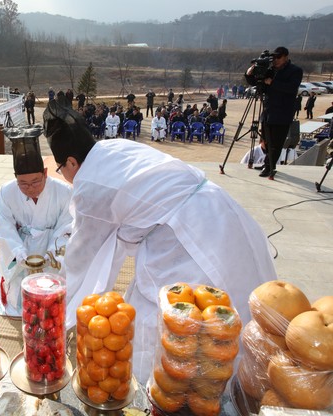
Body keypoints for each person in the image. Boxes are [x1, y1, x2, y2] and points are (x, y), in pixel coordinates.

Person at [42, 100, 276, 384]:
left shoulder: (90, 182)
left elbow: (84, 254)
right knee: (235, 298)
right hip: (220, 210)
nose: (64, 177)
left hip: (189, 235)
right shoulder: (109, 148)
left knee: (173, 320)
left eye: (61, 169)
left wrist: (56, 305)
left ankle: (161, 392)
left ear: (71, 162)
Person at [0, 125, 73, 317]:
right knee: (18, 297)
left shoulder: (64, 191)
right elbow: (3, 226)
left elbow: (67, 225)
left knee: (54, 298)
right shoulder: (7, 191)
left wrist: (52, 252)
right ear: (15, 178)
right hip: (21, 246)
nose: (30, 188)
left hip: (52, 245)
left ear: (45, 173)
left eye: (36, 181)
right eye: (23, 183)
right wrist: (18, 253)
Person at [245, 46, 303, 180]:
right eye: (274, 57)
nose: (275, 60)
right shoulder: (271, 70)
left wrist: (273, 82)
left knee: (276, 142)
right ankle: (267, 163)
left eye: (278, 57)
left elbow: (291, 88)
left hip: (283, 112)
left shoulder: (295, 71)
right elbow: (258, 83)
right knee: (266, 139)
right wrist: (250, 74)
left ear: (285, 57)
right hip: (268, 111)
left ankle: (270, 167)